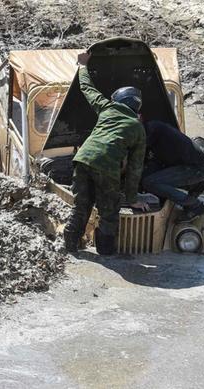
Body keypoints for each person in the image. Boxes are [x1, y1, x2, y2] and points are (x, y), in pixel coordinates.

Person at [63, 52, 148, 255]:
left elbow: (87, 88)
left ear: (118, 100)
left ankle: (70, 247)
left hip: (83, 159)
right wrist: (133, 198)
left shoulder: (107, 107)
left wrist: (83, 66)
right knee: (109, 212)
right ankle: (106, 253)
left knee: (81, 206)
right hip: (107, 167)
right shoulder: (138, 128)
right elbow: (136, 168)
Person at [141, 120, 204, 222]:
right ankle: (194, 185)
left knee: (150, 182)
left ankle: (194, 206)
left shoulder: (153, 131)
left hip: (197, 168)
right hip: (187, 164)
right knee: (147, 176)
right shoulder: (154, 127)